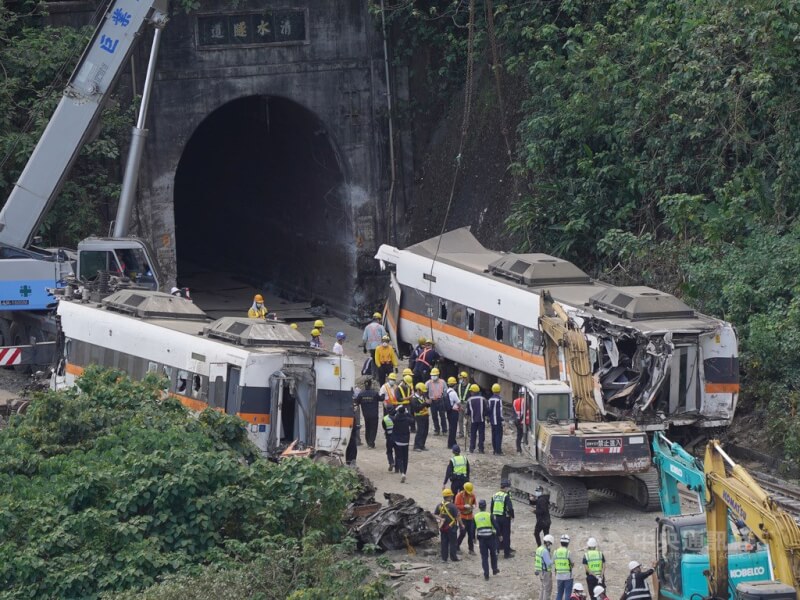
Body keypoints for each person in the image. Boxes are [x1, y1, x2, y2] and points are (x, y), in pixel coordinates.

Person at [474, 498, 499, 580]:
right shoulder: (490, 515)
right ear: (485, 506)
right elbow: (496, 526)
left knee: (484, 557)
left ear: (479, 507)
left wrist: (473, 538)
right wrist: (500, 535)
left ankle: (486, 574)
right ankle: (494, 569)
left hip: (482, 540)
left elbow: (472, 529)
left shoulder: (476, 516)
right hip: (491, 538)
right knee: (493, 554)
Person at [434, 489, 462, 563]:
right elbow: (457, 517)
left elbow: (435, 514)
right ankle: (453, 557)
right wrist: (462, 525)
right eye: (451, 496)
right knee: (453, 542)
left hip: (443, 527)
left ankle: (444, 558)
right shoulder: (453, 506)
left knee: (444, 542)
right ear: (449, 497)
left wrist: (441, 519)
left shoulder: (439, 505)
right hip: (451, 527)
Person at [492, 479, 515, 559]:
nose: (509, 489)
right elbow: (510, 508)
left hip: (496, 518)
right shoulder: (506, 496)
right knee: (506, 535)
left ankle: (496, 552)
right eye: (508, 487)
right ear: (505, 487)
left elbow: (492, 508)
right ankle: (506, 554)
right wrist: (512, 516)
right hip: (505, 518)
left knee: (497, 534)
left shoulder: (495, 495)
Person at [356, 378, 380, 448]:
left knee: (368, 428)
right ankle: (371, 443)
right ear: (371, 385)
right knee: (373, 429)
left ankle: (368, 442)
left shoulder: (361, 394)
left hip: (366, 415)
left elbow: (357, 402)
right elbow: (381, 398)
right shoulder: (375, 393)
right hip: (374, 415)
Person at [391, 405, 413, 483]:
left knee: (399, 458)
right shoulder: (407, 419)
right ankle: (404, 473)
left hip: (397, 441)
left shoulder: (395, 419)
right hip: (405, 441)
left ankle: (402, 472)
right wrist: (407, 413)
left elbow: (391, 414)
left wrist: (396, 409)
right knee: (405, 458)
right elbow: (413, 420)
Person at [455, 481, 477, 555]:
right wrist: (463, 506)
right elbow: (456, 506)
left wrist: (474, 505)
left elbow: (474, 502)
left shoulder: (472, 495)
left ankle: (471, 549)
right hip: (462, 517)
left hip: (470, 517)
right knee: (463, 533)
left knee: (470, 534)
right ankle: (456, 546)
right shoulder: (459, 496)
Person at [466, 384, 488, 453]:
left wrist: (467, 417)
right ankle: (481, 449)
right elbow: (486, 409)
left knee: (473, 434)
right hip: (481, 420)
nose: (470, 392)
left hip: (473, 420)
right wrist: (485, 416)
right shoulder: (483, 399)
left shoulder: (469, 400)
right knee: (481, 434)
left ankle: (471, 448)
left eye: (471, 391)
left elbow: (467, 412)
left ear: (474, 391)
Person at [426, 368, 447, 436]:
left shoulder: (442, 382)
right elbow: (424, 391)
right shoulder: (428, 383)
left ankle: (444, 430)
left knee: (442, 416)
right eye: (432, 375)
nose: (433, 376)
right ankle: (436, 430)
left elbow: (445, 391)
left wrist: (444, 398)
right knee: (434, 416)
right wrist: (427, 399)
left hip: (440, 400)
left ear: (438, 375)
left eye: (435, 375)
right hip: (432, 401)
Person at [535, 534, 555, 600]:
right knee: (547, 590)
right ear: (548, 542)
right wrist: (554, 559)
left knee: (542, 588)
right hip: (546, 572)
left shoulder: (539, 549)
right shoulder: (545, 551)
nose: (550, 545)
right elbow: (548, 563)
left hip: (540, 571)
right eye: (550, 544)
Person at [554, 534, 574, 600]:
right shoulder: (568, 552)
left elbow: (554, 562)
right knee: (568, 594)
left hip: (559, 576)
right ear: (568, 543)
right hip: (568, 576)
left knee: (559, 593)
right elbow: (572, 563)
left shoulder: (555, 552)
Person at [411, 382, 431, 451]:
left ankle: (422, 445)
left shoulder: (423, 397)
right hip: (419, 417)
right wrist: (425, 403)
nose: (423, 392)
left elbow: (426, 406)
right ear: (418, 390)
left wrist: (428, 403)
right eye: (422, 391)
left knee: (425, 431)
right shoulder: (414, 399)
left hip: (425, 415)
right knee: (420, 431)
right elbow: (417, 408)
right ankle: (416, 446)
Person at [488, 383, 504, 455]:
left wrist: (489, 418)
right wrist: (502, 419)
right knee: (498, 435)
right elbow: (500, 411)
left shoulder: (490, 399)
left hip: (492, 420)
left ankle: (494, 450)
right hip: (498, 420)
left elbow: (489, 410)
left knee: (493, 435)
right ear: (499, 391)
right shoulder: (499, 400)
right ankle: (498, 451)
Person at [445, 376, 461, 449]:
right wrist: (461, 409)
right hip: (454, 412)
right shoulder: (453, 393)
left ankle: (452, 442)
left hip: (449, 411)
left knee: (451, 427)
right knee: (453, 429)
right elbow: (458, 402)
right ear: (454, 384)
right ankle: (451, 444)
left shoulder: (447, 391)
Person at [455, 371, 471, 437]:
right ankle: (461, 433)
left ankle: (469, 433)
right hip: (460, 404)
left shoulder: (470, 386)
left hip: (467, 404)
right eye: (460, 379)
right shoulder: (458, 386)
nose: (460, 380)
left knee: (468, 419)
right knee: (460, 419)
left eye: (461, 378)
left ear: (465, 378)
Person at [512, 386, 526, 454]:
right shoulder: (525, 401)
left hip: (517, 421)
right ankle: (524, 448)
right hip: (523, 421)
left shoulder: (515, 401)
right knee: (525, 434)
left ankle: (518, 449)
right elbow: (525, 412)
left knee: (519, 435)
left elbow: (514, 412)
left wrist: (517, 419)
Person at [382, 407, 396, 472]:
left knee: (389, 451)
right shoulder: (398, 417)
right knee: (398, 452)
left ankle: (391, 462)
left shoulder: (385, 418)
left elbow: (384, 427)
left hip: (389, 437)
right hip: (397, 437)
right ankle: (397, 467)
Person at [345, 402, 358, 466]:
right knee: (352, 445)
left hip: (349, 432)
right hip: (352, 433)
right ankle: (351, 460)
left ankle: (348, 461)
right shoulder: (352, 416)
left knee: (349, 445)